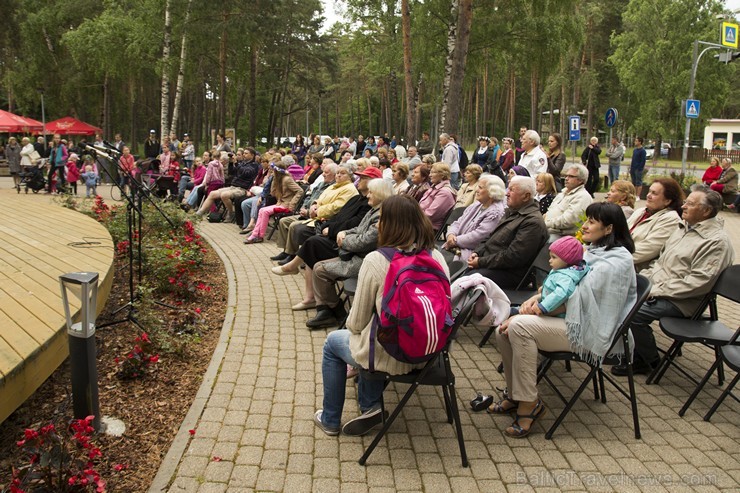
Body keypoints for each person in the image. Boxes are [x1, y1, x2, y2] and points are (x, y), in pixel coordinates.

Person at [492, 202, 636, 437]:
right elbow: (565, 285)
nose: (585, 225)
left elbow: (582, 301)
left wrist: (532, 310)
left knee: (519, 326)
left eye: (591, 221)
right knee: (503, 330)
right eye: (586, 219)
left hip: (592, 329)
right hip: (570, 319)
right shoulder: (593, 251)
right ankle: (516, 395)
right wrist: (537, 298)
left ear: (609, 229)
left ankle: (530, 405)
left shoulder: (617, 262)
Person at [314, 194, 450, 436]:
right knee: (373, 336)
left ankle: (330, 419)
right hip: (430, 352)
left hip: (391, 354)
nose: (377, 225)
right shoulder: (436, 257)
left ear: (389, 225)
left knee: (336, 342)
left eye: (381, 220)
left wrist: (357, 333)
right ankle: (370, 407)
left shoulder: (376, 260)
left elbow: (356, 322)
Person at [612, 188, 734, 376]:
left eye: (690, 204)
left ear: (706, 212)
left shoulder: (716, 242)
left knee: (633, 313)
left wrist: (654, 290)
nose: (683, 206)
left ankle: (648, 360)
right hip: (661, 289)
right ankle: (623, 347)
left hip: (683, 301)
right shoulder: (683, 228)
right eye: (686, 202)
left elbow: (698, 283)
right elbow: (660, 263)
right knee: (616, 293)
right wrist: (644, 280)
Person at [275, 176, 391, 318]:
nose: (368, 194)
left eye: (371, 192)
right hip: (354, 253)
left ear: (380, 194)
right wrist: (344, 232)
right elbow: (357, 229)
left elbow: (364, 242)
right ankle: (326, 308)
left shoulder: (381, 215)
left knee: (320, 266)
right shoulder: (374, 209)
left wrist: (344, 239)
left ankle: (334, 308)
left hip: (364, 260)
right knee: (316, 257)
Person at [463, 176, 548, 289]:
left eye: (512, 190)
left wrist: (481, 262)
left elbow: (513, 257)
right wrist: (477, 253)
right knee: (457, 275)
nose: (507, 193)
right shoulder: (512, 212)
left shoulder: (532, 222)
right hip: (491, 264)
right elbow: (489, 237)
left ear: (526, 196)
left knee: (466, 282)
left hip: (509, 273)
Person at [442, 175, 507, 262]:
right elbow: (458, 222)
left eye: (480, 187)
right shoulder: (477, 204)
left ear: (492, 192)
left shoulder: (496, 212)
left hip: (471, 253)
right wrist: (451, 235)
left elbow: (478, 237)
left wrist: (455, 241)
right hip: (455, 245)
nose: (476, 190)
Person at [626, 178, 683, 272]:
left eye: (654, 193)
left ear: (667, 201)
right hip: (618, 259)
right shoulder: (641, 211)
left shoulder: (670, 219)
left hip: (636, 269)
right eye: (649, 191)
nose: (648, 196)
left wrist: (615, 259)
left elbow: (646, 250)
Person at [244, 158, 304, 244]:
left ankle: (259, 236)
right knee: (261, 210)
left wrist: (292, 203)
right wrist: (273, 181)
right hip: (280, 203)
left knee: (265, 212)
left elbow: (300, 191)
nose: (271, 172)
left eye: (273, 171)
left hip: (286, 205)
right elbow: (272, 193)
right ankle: (255, 234)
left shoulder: (287, 179)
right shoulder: (277, 179)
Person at [528, 235, 590, 317]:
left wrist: (543, 307)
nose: (550, 260)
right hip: (547, 305)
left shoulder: (567, 277)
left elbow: (561, 293)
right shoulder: (560, 269)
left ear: (568, 259)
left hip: (554, 313)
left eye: (554, 257)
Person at [543, 164, 592, 242]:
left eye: (571, 176)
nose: (566, 178)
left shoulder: (582, 196)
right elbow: (549, 211)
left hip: (562, 237)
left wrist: (545, 224)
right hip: (548, 230)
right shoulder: (563, 192)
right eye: (566, 176)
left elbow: (568, 221)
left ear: (581, 180)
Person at [418, 162, 457, 230]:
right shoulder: (433, 187)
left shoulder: (445, 193)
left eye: (433, 172)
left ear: (442, 175)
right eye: (430, 172)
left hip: (428, 229)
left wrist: (411, 217)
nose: (430, 175)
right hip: (420, 223)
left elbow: (430, 215)